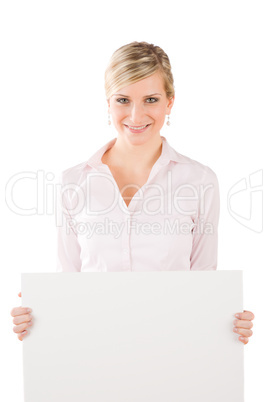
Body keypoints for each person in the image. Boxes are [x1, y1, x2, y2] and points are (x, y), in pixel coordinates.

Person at [10, 41, 254, 343]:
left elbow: (204, 282)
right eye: (123, 100)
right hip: (92, 354)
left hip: (174, 353)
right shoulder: (73, 182)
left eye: (150, 99)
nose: (136, 116)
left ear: (170, 102)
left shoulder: (200, 181)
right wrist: (38, 316)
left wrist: (226, 324)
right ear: (108, 103)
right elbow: (67, 282)